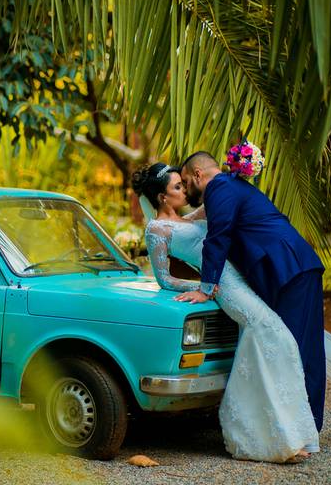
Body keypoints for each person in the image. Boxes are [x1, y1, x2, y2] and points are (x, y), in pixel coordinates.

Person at [132, 162, 318, 463]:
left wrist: (241, 166)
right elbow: (164, 278)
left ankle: (280, 433)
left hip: (241, 281)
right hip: (225, 289)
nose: (184, 190)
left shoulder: (191, 216)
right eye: (177, 187)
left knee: (267, 343)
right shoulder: (157, 229)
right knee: (274, 335)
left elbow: (219, 191)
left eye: (182, 184)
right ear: (162, 198)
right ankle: (272, 437)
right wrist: (203, 286)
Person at [178, 151, 325, 436]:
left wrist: (206, 289)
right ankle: (303, 425)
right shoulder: (229, 186)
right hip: (286, 269)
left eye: (185, 182)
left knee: (297, 348)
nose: (185, 189)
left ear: (198, 174)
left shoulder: (220, 188)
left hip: (289, 268)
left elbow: (218, 236)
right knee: (295, 346)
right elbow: (211, 215)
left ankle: (305, 428)